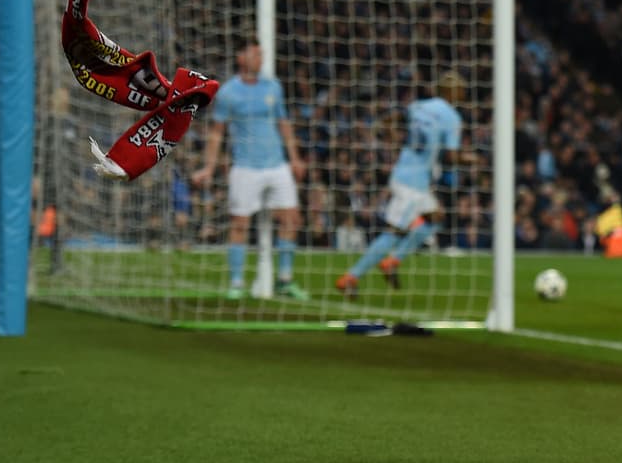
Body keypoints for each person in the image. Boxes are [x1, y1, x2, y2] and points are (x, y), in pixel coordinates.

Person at [191, 39, 309, 300]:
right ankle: (236, 283)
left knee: (291, 219)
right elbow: (217, 133)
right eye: (256, 54)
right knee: (239, 224)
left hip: (276, 164)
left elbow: (284, 124)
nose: (261, 59)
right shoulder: (229, 92)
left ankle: (285, 280)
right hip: (245, 168)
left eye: (262, 54)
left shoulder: (273, 87)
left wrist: (295, 159)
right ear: (241, 57)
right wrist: (208, 168)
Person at [336, 71, 467, 297]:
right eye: (462, 90)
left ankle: (392, 262)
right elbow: (452, 156)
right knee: (394, 233)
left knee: (435, 219)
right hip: (412, 184)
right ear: (452, 92)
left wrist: (387, 134)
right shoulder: (452, 117)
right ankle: (351, 277)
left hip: (408, 173)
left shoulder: (418, 106)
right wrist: (474, 158)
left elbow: (392, 119)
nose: (464, 94)